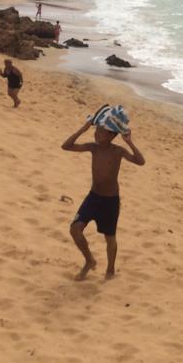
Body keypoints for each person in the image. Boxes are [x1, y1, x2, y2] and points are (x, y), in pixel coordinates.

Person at [62, 105, 145, 281]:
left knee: (110, 237)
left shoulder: (118, 151)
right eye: (96, 130)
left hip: (110, 201)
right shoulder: (93, 148)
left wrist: (129, 141)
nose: (96, 134)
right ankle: (89, 260)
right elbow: (66, 146)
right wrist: (84, 128)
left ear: (111, 135)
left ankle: (110, 270)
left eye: (101, 132)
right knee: (75, 229)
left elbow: (140, 161)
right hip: (93, 197)